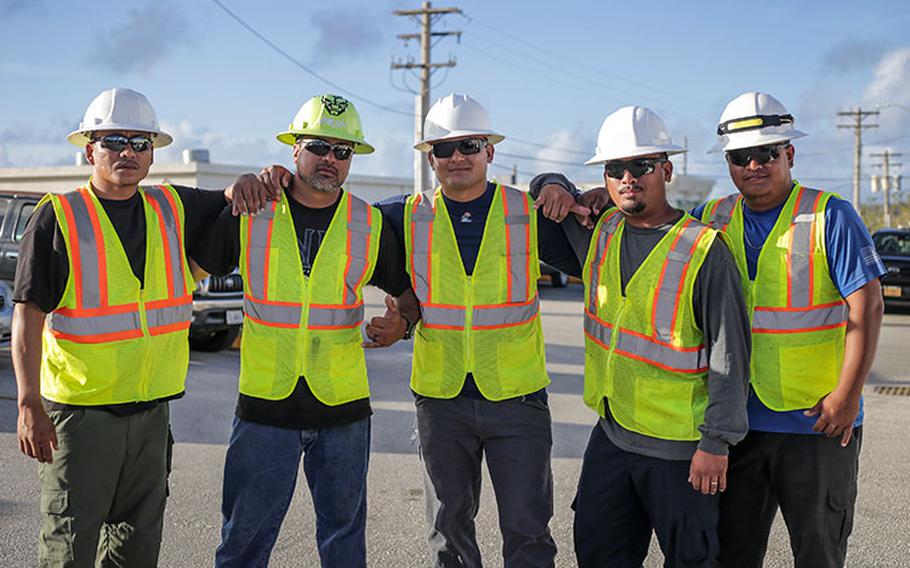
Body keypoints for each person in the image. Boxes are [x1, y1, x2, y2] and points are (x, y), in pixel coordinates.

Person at [12, 87, 268, 567]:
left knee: (137, 549)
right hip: (82, 419)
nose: (127, 152)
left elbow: (233, 197)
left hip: (152, 418)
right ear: (90, 150)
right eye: (113, 142)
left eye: (139, 142)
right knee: (69, 547)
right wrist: (28, 404)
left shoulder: (171, 206)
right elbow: (28, 314)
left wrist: (251, 178)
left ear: (153, 152)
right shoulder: (60, 216)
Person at [196, 94, 416, 568]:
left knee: (343, 544)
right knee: (242, 545)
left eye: (344, 151)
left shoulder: (368, 221)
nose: (331, 160)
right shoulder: (254, 207)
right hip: (264, 406)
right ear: (294, 149)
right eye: (319, 146)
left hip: (343, 409)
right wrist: (234, 189)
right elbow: (196, 263)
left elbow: (405, 290)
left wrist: (402, 320)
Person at [529, 106, 751, 567]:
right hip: (613, 436)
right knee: (598, 552)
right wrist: (550, 181)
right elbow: (548, 201)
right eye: (615, 168)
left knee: (692, 559)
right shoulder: (602, 232)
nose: (628, 177)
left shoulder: (704, 250)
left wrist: (716, 443)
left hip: (680, 450)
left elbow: (730, 356)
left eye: (642, 165)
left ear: (666, 170)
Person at [372, 93, 567, 568]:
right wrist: (278, 178)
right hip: (441, 399)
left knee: (528, 529)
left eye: (470, 145)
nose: (456, 157)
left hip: (517, 398)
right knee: (448, 530)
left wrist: (556, 180)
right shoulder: (403, 214)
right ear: (428, 157)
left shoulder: (528, 211)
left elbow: (609, 216)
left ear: (490, 152)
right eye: (443, 148)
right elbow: (331, 212)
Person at [695, 92, 886, 568]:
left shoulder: (831, 215)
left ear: (790, 154)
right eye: (741, 157)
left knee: (818, 553)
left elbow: (870, 306)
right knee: (733, 554)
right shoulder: (712, 219)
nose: (754, 165)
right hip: (740, 425)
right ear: (728, 162)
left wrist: (846, 397)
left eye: (767, 153)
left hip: (817, 424)